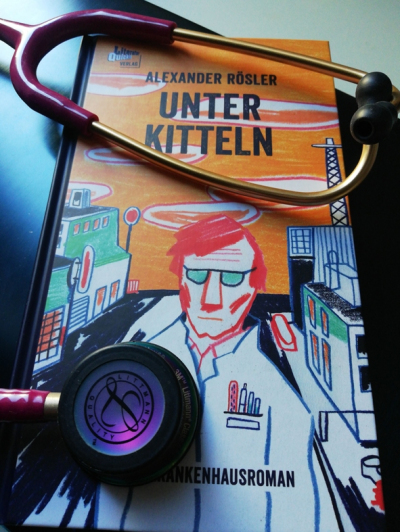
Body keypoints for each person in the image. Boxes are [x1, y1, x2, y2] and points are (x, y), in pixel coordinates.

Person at [97, 214, 320, 531]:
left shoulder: (282, 399)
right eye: (198, 275)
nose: (211, 299)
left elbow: (296, 515)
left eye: (231, 279)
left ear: (255, 286)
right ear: (181, 279)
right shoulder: (134, 360)